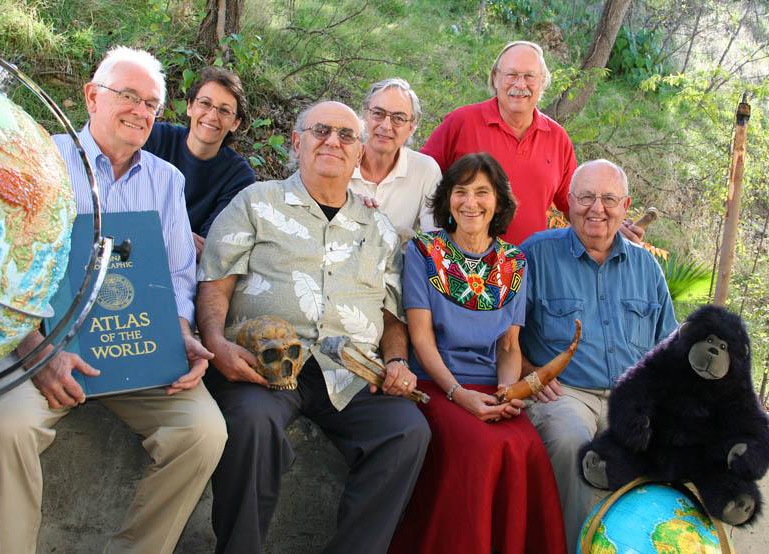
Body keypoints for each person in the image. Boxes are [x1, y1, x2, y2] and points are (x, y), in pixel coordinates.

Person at [0, 47, 227, 554]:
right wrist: (34, 351)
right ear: (91, 96)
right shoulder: (37, 159)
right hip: (44, 350)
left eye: (151, 103)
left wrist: (181, 333)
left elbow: (177, 273)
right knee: (6, 428)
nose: (140, 111)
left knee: (203, 432)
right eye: (127, 96)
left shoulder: (166, 179)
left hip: (136, 351)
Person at [196, 100, 431, 554]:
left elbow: (391, 313)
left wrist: (398, 359)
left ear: (360, 152)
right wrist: (216, 343)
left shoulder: (378, 228)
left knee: (407, 432)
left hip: (350, 370)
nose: (333, 142)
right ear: (297, 140)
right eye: (321, 130)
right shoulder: (256, 202)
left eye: (346, 135)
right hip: (267, 364)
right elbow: (214, 284)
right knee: (251, 424)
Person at [390, 153, 566, 554]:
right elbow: (420, 340)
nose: (471, 202)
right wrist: (458, 394)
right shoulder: (424, 250)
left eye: (482, 193)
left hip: (492, 388)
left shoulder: (514, 261)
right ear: (447, 200)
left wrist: (507, 392)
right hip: (437, 385)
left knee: (529, 449)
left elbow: (509, 345)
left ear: (499, 203)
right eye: (461, 192)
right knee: (481, 448)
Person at [520, 159, 677, 549]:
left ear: (626, 205)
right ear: (568, 202)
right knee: (572, 443)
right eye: (587, 197)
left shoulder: (646, 268)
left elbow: (670, 347)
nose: (597, 208)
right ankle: (572, 546)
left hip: (633, 398)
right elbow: (502, 335)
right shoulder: (535, 256)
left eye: (608, 199)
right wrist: (529, 372)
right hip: (564, 393)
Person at [421, 41, 643, 246]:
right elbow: (421, 179)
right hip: (462, 264)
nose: (520, 84)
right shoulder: (461, 123)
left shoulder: (558, 139)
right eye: (512, 75)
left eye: (529, 76)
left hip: (528, 268)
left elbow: (576, 207)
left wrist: (611, 227)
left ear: (543, 82)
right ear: (496, 78)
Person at [143, 66, 255, 258]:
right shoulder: (154, 138)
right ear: (189, 106)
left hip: (186, 269)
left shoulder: (238, 176)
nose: (212, 116)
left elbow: (210, 246)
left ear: (235, 123)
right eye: (205, 103)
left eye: (224, 110)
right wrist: (179, 236)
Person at [349, 78, 441, 239]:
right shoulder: (339, 159)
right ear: (364, 116)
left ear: (411, 127)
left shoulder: (425, 170)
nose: (386, 125)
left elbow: (434, 239)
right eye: (378, 113)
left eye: (398, 118)